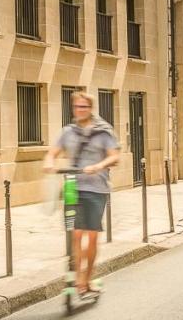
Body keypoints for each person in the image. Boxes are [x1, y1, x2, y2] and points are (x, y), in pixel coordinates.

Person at [44, 91, 120, 299]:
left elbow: (115, 157)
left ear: (90, 108)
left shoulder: (104, 132)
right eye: (77, 107)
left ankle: (89, 277)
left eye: (84, 107)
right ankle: (79, 279)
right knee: (76, 233)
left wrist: (99, 165)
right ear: (73, 108)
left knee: (92, 237)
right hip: (73, 187)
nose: (80, 110)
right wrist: (49, 162)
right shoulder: (68, 132)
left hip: (97, 189)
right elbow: (53, 152)